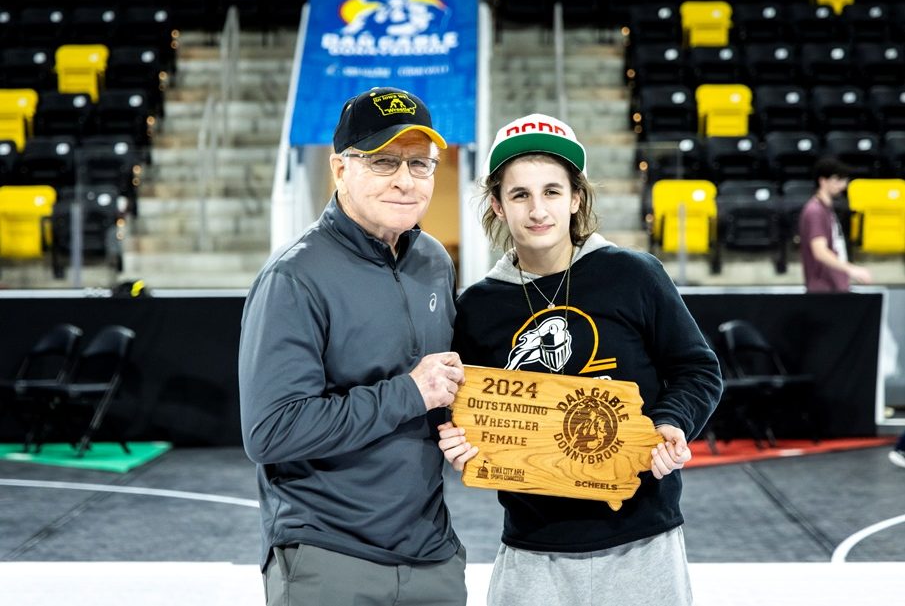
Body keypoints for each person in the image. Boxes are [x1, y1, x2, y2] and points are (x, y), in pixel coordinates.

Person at [438, 113, 722, 606]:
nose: (537, 209)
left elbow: (697, 369)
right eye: (519, 194)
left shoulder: (634, 274)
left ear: (576, 199)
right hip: (534, 549)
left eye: (552, 191)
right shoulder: (478, 307)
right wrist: (457, 436)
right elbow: (462, 405)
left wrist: (673, 423)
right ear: (498, 206)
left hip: (643, 541)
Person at [239, 87, 467, 606]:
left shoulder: (432, 259)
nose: (406, 180)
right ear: (340, 169)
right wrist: (411, 393)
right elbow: (271, 431)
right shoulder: (293, 277)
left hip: (432, 556)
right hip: (329, 558)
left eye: (420, 163)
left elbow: (442, 390)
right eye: (384, 161)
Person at [799, 156, 873, 292]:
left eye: (844, 180)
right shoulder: (815, 211)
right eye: (837, 179)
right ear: (823, 181)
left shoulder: (827, 209)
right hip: (823, 290)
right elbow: (820, 251)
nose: (843, 185)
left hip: (834, 287)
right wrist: (851, 269)